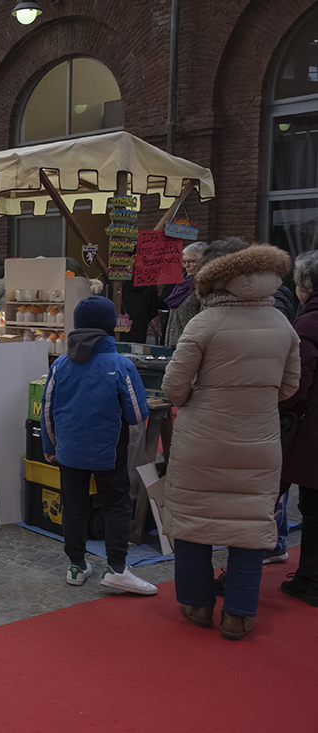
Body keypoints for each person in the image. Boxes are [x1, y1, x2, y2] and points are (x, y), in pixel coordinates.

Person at [162, 242, 299, 640]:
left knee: (193, 522)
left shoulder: (205, 322)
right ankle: (239, 614)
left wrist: (199, 400)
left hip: (201, 440)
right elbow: (289, 386)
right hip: (259, 440)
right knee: (250, 526)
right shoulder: (282, 324)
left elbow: (173, 387)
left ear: (213, 275)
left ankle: (198, 603)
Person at [41, 295, 157, 596]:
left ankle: (76, 566)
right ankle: (117, 569)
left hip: (68, 450)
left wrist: (50, 445)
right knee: (117, 504)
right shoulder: (120, 364)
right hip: (108, 451)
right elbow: (136, 412)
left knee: (74, 505)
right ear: (110, 326)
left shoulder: (61, 364)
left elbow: (47, 409)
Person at [280, 249, 318, 606]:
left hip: (306, 434)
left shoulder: (306, 325)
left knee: (305, 504)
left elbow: (296, 386)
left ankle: (309, 578)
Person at [164, 242, 208, 347]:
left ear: (202, 262)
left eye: (191, 261)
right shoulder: (180, 285)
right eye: (184, 262)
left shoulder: (204, 287)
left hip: (191, 346)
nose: (186, 265)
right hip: (173, 345)